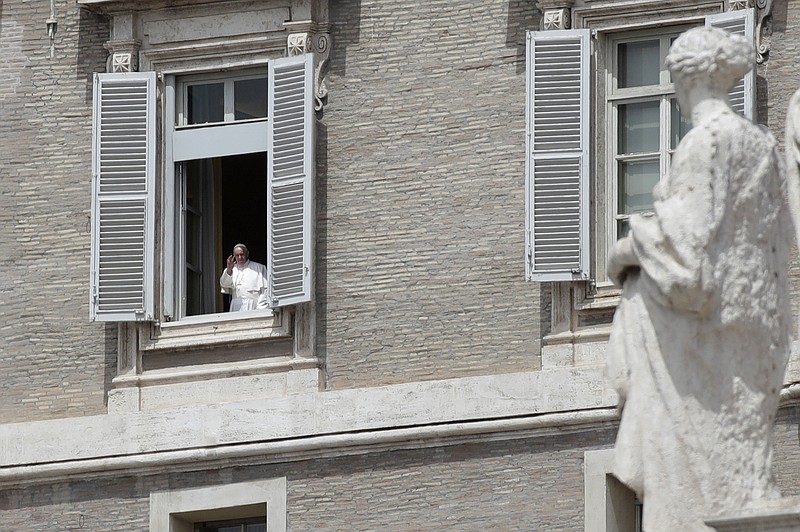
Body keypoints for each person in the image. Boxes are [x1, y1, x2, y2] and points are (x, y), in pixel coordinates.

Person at [606, 27, 795, 530]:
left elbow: (684, 263)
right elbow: (780, 241)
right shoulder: (763, 144)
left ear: (679, 78)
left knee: (692, 484)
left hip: (701, 344)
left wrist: (623, 250)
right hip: (755, 335)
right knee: (742, 471)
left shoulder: (705, 143)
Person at [219, 244, 269, 311]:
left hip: (253, 306)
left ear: (247, 254)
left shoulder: (259, 268)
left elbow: (265, 290)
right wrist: (229, 270)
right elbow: (224, 284)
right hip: (236, 306)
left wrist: (260, 308)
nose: (240, 257)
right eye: (237, 255)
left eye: (242, 254)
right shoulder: (231, 269)